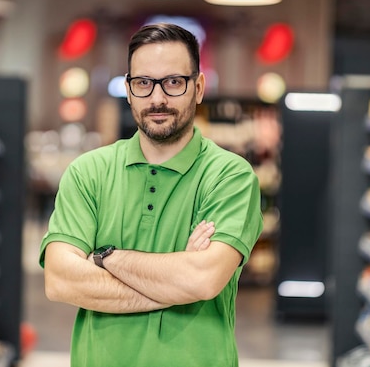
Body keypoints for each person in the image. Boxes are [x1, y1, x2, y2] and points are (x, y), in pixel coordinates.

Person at [39, 22, 263, 367]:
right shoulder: (89, 172)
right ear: (128, 90)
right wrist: (174, 285)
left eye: (174, 82)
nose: (157, 98)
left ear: (198, 87)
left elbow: (202, 280)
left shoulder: (229, 176)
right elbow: (59, 280)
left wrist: (104, 257)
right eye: (143, 83)